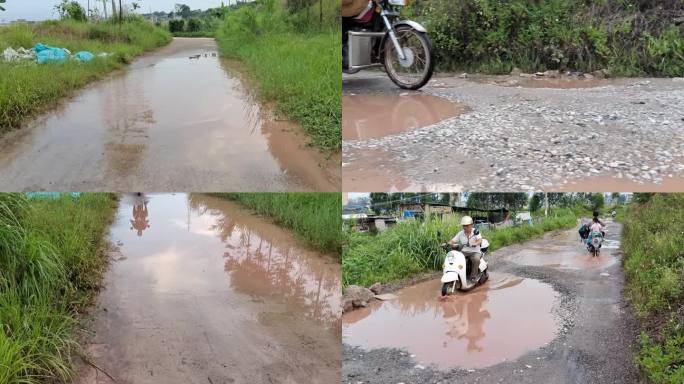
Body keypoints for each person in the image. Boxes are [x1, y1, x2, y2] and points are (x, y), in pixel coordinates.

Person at [448, 216, 482, 283]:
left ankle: (473, 277)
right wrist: (447, 243)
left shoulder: (475, 231)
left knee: (476, 259)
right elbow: (453, 241)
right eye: (464, 226)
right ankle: (458, 275)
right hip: (464, 251)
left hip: (475, 251)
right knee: (455, 258)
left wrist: (475, 243)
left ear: (471, 225)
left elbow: (480, 240)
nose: (465, 227)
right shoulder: (460, 233)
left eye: (467, 226)